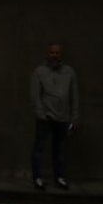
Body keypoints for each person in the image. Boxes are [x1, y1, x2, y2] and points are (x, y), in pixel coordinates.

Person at [30, 42, 79, 190]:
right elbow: (35, 94)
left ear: (61, 55)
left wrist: (74, 117)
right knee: (39, 148)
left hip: (63, 118)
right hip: (45, 117)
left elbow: (74, 95)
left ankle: (59, 178)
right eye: (52, 53)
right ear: (48, 53)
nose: (55, 55)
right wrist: (41, 113)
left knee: (59, 149)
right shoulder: (39, 71)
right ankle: (37, 178)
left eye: (57, 53)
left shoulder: (69, 72)